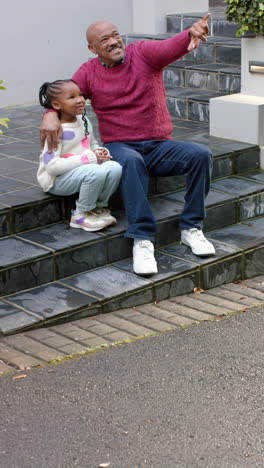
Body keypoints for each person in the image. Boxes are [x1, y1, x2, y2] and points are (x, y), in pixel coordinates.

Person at [40, 15, 215, 274]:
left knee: (201, 154)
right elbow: (67, 97)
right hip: (121, 146)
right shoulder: (88, 72)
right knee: (131, 161)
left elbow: (169, 47)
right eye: (104, 39)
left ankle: (191, 228)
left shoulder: (142, 53)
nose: (113, 41)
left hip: (158, 146)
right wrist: (49, 115)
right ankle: (142, 239)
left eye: (115, 35)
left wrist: (191, 33)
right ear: (93, 49)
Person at [38, 79, 122, 232]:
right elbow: (51, 167)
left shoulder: (83, 121)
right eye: (72, 97)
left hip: (81, 170)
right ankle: (81, 214)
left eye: (81, 95)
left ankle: (99, 207)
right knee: (96, 171)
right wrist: (88, 158)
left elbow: (92, 144)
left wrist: (100, 152)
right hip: (56, 180)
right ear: (56, 105)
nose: (80, 100)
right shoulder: (56, 130)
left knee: (114, 167)